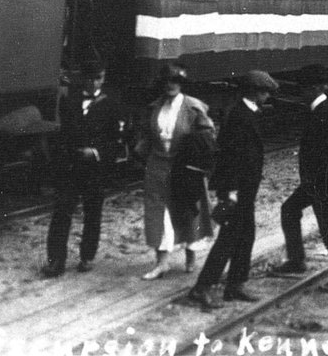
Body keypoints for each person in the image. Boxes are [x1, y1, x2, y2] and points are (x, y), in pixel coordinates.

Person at [188, 70, 277, 309]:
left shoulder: (249, 113)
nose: (268, 96)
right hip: (236, 189)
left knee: (246, 235)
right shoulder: (239, 116)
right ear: (254, 92)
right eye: (265, 92)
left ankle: (236, 284)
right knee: (228, 238)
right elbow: (228, 156)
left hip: (246, 188)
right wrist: (229, 191)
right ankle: (202, 287)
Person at [271, 65, 328, 294]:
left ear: (317, 88)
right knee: (290, 210)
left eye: (306, 88)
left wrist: (319, 189)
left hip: (324, 183)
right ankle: (297, 260)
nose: (302, 92)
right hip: (317, 181)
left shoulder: (324, 113)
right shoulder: (319, 110)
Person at [43, 61, 124, 277]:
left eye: (98, 78)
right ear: (83, 78)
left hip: (94, 169)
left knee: (92, 212)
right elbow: (62, 134)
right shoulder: (69, 101)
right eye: (90, 78)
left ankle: (87, 255)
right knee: (62, 212)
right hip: (70, 166)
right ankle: (55, 261)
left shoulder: (111, 104)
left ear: (103, 78)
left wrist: (96, 152)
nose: (93, 83)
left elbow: (115, 141)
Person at [136, 63, 216, 280]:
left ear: (182, 84)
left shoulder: (194, 107)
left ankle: (191, 254)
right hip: (158, 165)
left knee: (190, 208)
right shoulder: (155, 107)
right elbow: (146, 136)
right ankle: (162, 262)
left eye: (175, 81)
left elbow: (208, 139)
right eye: (167, 81)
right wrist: (141, 154)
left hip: (185, 166)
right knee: (158, 212)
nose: (170, 85)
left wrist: (200, 163)